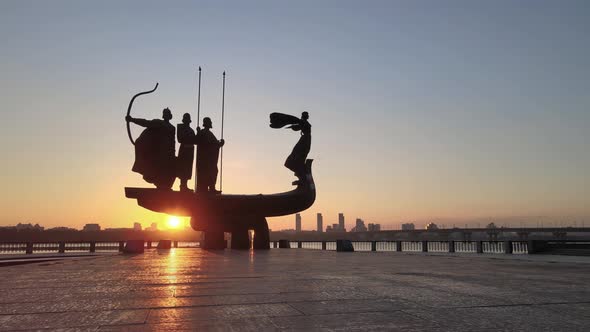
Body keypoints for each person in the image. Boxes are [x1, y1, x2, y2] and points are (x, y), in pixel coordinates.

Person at [126, 108, 176, 189]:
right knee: (157, 171)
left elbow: (172, 142)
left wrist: (173, 152)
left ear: (170, 116)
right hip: (159, 153)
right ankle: (160, 184)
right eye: (165, 114)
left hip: (168, 153)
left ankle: (164, 185)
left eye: (168, 114)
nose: (166, 115)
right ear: (164, 116)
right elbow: (146, 123)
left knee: (170, 172)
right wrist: (132, 120)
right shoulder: (158, 122)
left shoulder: (172, 128)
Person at [194, 117, 225, 193]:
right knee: (210, 172)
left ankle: (211, 187)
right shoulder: (204, 132)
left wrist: (219, 144)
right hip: (206, 159)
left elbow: (214, 143)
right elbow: (210, 143)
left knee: (213, 171)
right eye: (210, 122)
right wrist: (220, 144)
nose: (211, 123)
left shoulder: (207, 133)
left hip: (208, 159)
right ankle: (209, 188)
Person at [284, 112, 311, 181]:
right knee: (298, 153)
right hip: (306, 139)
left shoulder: (304, 122)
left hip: (305, 139)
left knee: (297, 153)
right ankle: (300, 170)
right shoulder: (304, 122)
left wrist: (293, 126)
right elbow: (298, 127)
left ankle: (300, 170)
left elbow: (298, 127)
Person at [176, 113, 196, 192]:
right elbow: (180, 139)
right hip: (184, 150)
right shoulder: (181, 128)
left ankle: (185, 185)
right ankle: (182, 186)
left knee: (188, 168)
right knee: (183, 168)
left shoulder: (191, 130)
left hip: (190, 150)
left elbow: (195, 140)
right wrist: (189, 138)